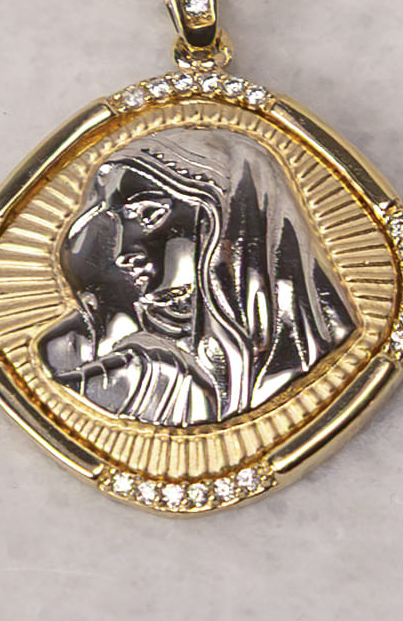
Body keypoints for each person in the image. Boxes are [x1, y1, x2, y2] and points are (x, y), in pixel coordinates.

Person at [39, 129, 351, 426]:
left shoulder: (307, 350)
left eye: (148, 214)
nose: (122, 252)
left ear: (231, 221)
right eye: (115, 221)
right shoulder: (74, 348)